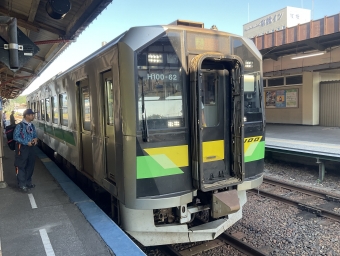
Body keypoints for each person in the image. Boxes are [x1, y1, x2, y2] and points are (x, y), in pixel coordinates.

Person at [13, 109, 38, 192]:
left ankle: (28, 182)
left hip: (31, 148)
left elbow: (34, 135)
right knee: (21, 165)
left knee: (30, 164)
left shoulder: (32, 125)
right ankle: (22, 184)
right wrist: (26, 143)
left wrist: (35, 139)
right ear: (27, 115)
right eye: (32, 115)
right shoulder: (19, 126)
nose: (33, 116)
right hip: (22, 148)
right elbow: (15, 137)